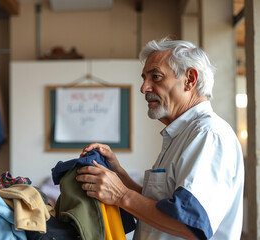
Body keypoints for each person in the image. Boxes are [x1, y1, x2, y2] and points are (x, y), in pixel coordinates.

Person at [75, 38, 244, 240]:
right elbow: (162, 207)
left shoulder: (208, 135)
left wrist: (120, 195)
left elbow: (189, 223)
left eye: (156, 77)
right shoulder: (182, 134)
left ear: (190, 79)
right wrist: (119, 174)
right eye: (144, 78)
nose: (144, 88)